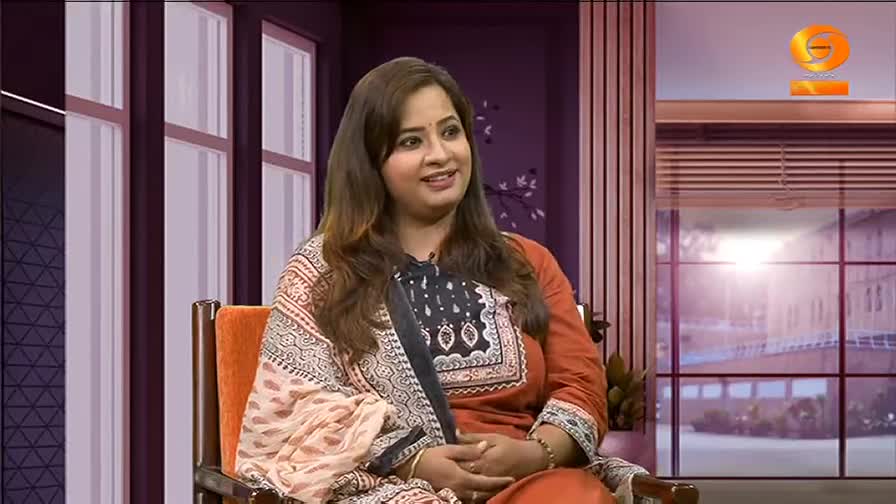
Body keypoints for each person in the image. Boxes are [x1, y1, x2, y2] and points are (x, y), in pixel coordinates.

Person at [235, 56, 631, 504]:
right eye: (410, 141)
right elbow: (298, 411)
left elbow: (580, 386)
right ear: (371, 161)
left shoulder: (526, 262)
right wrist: (413, 461)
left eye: (449, 131)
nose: (440, 155)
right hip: (385, 487)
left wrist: (535, 455)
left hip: (525, 485)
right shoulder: (324, 272)